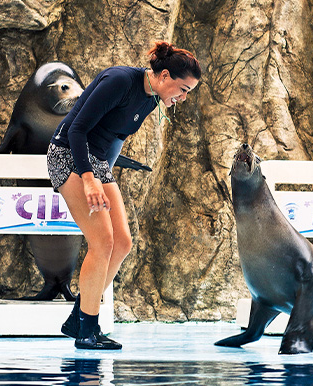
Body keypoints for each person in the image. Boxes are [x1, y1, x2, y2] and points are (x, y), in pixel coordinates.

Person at [47, 41, 201, 350]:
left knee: (123, 242)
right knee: (102, 241)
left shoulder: (151, 99)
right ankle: (87, 330)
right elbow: (77, 130)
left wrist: (103, 177)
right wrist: (89, 181)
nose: (183, 98)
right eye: (183, 89)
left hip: (97, 162)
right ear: (165, 76)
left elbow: (114, 140)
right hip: (67, 154)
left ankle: (78, 317)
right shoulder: (119, 81)